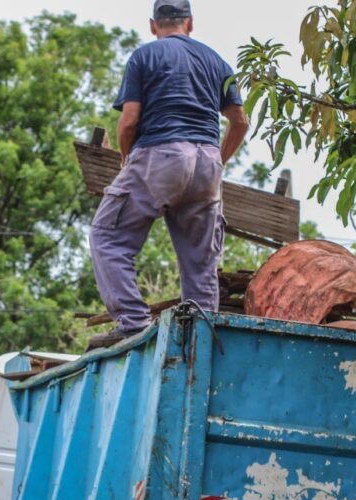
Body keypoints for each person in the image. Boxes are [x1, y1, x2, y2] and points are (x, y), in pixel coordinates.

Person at [87, 0, 250, 349]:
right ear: (189, 24)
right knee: (200, 261)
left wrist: (127, 159)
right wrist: (217, 161)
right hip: (207, 166)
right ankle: (199, 340)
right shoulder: (216, 61)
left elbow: (129, 121)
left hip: (161, 154)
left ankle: (133, 324)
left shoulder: (145, 57)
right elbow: (240, 122)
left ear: (153, 25)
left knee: (107, 237)